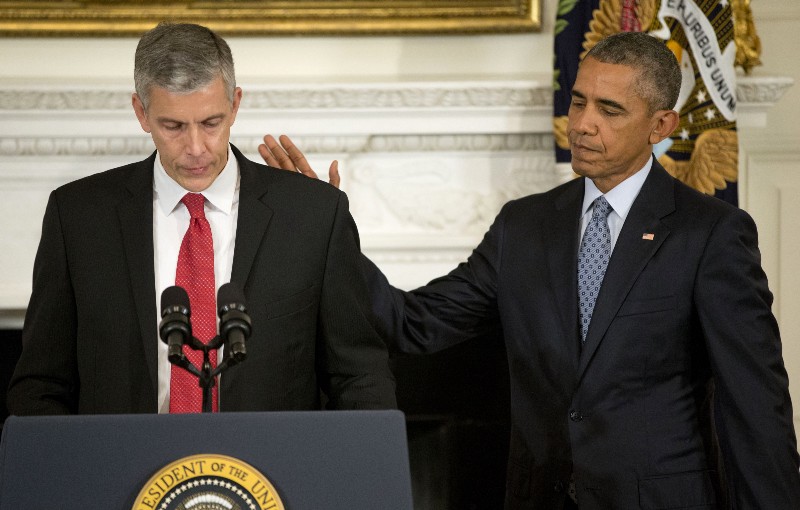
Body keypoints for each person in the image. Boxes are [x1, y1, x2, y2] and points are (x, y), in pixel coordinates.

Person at [261, 32, 800, 508]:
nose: (583, 124)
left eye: (610, 111)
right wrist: (328, 231)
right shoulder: (525, 224)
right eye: (580, 101)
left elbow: (755, 403)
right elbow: (414, 323)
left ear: (661, 124)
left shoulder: (711, 233)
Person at [7, 22, 396, 416]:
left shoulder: (314, 215)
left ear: (235, 105)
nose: (195, 148)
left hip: (268, 470)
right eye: (173, 126)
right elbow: (41, 385)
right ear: (141, 112)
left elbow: (359, 377)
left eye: (211, 123)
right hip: (122, 470)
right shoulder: (78, 217)